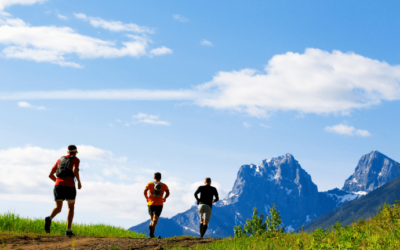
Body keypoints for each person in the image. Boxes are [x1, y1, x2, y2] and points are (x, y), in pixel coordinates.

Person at [45, 145, 82, 236]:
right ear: (75, 152)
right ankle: (68, 231)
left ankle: (49, 218)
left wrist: (58, 182)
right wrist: (79, 182)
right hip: (70, 185)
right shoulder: (76, 159)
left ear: (67, 152)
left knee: (58, 208)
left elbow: (50, 175)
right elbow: (74, 170)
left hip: (58, 186)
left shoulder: (59, 160)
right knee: (71, 207)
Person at [143, 172, 170, 238]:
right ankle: (152, 229)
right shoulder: (164, 185)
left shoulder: (149, 184)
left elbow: (145, 191)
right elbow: (168, 192)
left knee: (152, 219)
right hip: (159, 204)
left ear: (154, 178)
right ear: (160, 178)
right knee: (155, 220)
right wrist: (165, 198)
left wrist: (147, 197)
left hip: (150, 204)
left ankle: (152, 234)